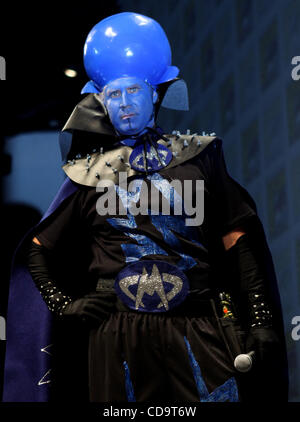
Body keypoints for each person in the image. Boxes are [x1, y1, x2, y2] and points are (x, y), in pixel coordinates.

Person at [3, 12, 288, 402]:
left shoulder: (200, 155)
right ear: (100, 99)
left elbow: (236, 240)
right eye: (113, 95)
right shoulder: (88, 174)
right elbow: (36, 249)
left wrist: (260, 319)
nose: (125, 105)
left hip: (201, 325)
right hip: (116, 336)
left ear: (155, 91)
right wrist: (66, 306)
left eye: (133, 91)